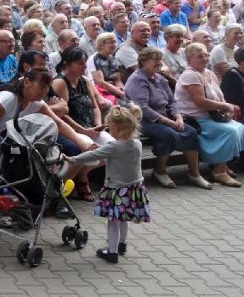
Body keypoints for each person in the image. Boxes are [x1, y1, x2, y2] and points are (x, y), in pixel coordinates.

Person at [61, 105, 149, 264]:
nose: (108, 131)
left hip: (116, 189)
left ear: (116, 127)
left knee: (113, 221)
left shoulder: (113, 146)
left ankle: (112, 252)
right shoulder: (137, 143)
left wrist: (71, 159)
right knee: (124, 219)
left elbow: (92, 155)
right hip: (134, 188)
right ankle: (122, 245)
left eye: (109, 127)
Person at [0, 67, 91, 168]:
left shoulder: (38, 103)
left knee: (27, 155)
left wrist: (81, 142)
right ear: (26, 82)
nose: (44, 91)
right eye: (41, 86)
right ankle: (8, 196)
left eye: (47, 88)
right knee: (13, 161)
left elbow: (58, 123)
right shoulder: (8, 98)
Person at [123, 47, 208, 189]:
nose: (159, 63)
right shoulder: (137, 79)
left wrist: (178, 117)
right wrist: (169, 122)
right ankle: (159, 171)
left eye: (160, 60)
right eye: (155, 60)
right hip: (141, 120)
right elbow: (143, 108)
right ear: (143, 61)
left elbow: (172, 101)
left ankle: (194, 173)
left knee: (191, 132)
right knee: (169, 134)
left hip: (163, 116)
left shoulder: (159, 78)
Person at [174, 42, 244, 187]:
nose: (205, 58)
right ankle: (219, 172)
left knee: (239, 127)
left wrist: (226, 108)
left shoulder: (209, 72)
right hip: (195, 119)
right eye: (200, 56)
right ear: (189, 59)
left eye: (206, 55)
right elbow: (201, 101)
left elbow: (220, 95)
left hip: (213, 115)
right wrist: (225, 106)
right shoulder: (190, 75)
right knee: (230, 132)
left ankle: (223, 165)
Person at [52, 47, 114, 201]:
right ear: (67, 64)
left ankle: (82, 175)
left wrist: (98, 125)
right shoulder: (60, 82)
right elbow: (62, 114)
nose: (85, 67)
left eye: (85, 63)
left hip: (89, 126)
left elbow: (94, 106)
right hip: (71, 129)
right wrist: (84, 131)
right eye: (80, 63)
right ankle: (65, 186)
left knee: (113, 148)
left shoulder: (85, 81)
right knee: (88, 150)